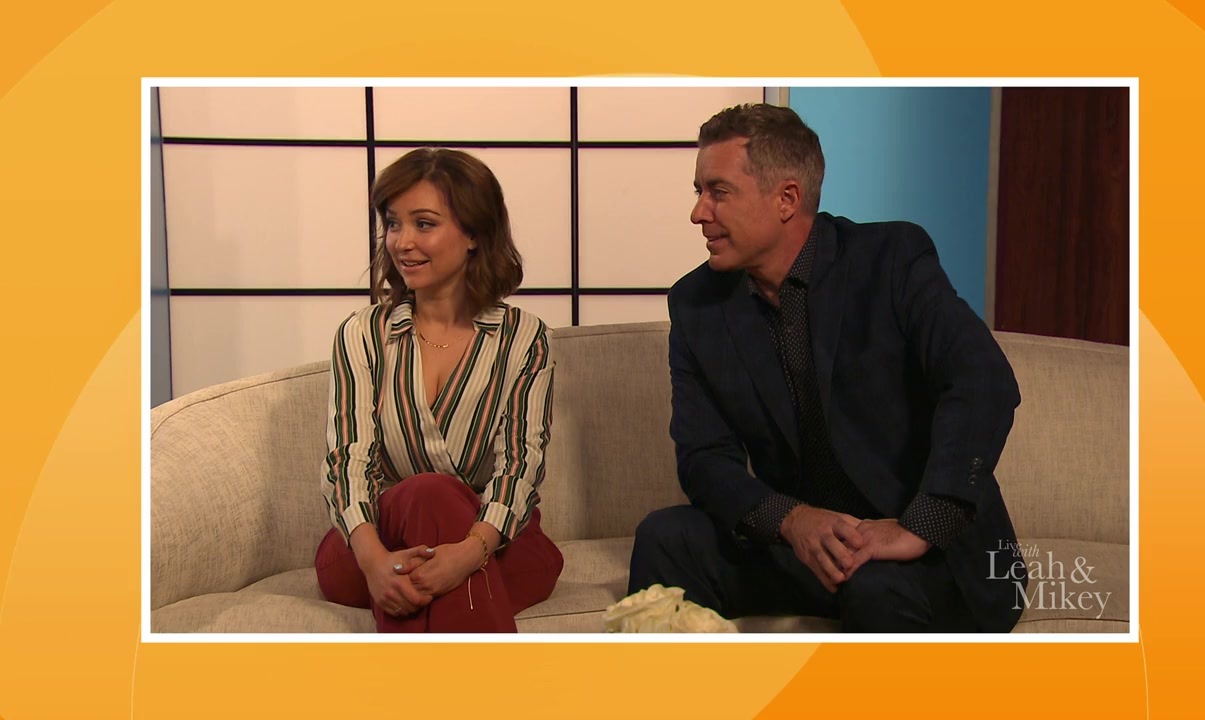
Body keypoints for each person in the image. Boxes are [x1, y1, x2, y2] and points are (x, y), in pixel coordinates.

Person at [628, 103, 1026, 632]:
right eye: (699, 191)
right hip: (804, 546)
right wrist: (791, 520)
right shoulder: (696, 304)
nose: (698, 213)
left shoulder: (891, 259)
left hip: (921, 547)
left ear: (787, 198)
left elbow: (982, 380)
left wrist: (918, 527)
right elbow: (704, 458)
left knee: (874, 588)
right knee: (664, 539)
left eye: (718, 192)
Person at [315, 148, 563, 633]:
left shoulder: (524, 337)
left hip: (489, 541)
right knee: (427, 493)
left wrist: (466, 556)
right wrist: (374, 562)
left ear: (474, 233)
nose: (402, 242)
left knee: (444, 502)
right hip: (373, 547)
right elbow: (348, 459)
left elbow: (521, 462)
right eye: (393, 224)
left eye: (423, 224)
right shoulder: (362, 334)